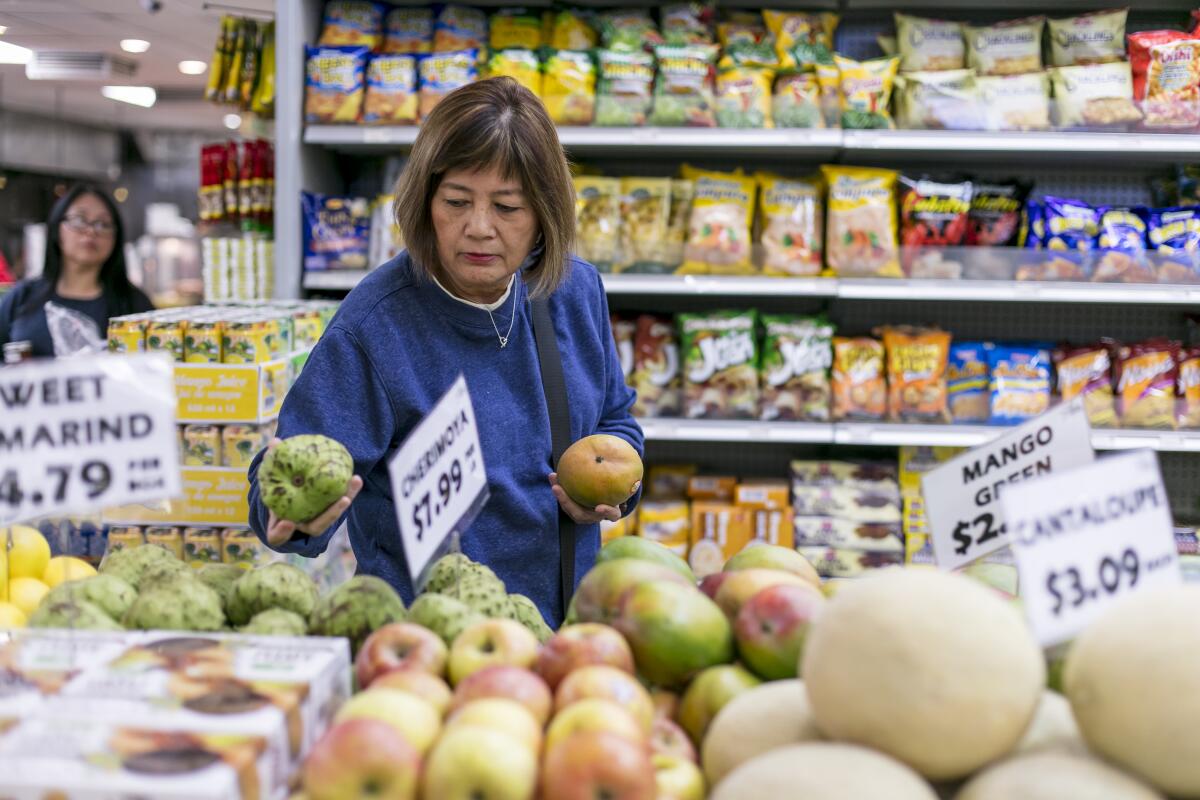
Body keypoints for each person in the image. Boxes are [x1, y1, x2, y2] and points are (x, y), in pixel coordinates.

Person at [247, 78, 643, 625]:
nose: (478, 228)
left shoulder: (573, 292)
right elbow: (282, 476)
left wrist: (615, 489)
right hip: (424, 644)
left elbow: (615, 420)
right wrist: (293, 521)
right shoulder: (375, 324)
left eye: (507, 207)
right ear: (425, 201)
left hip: (566, 631)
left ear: (545, 215)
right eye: (457, 201)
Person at [0, 184, 153, 357]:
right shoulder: (20, 298)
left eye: (103, 224)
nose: (90, 231)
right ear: (57, 228)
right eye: (79, 220)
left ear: (116, 238)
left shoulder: (136, 305)